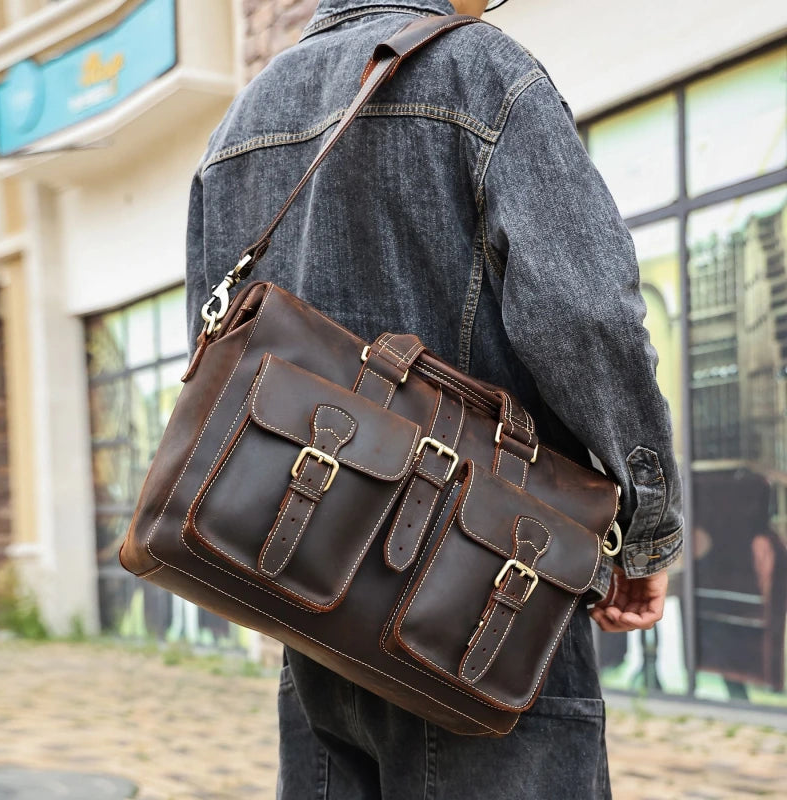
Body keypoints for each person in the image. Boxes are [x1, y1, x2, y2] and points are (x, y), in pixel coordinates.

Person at [185, 0, 684, 796]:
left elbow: (217, 369)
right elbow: (586, 317)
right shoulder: (484, 74)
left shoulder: (240, 125)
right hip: (490, 594)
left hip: (313, 601)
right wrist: (645, 526)